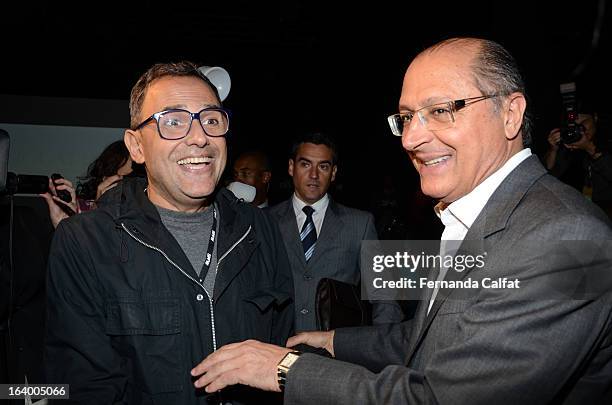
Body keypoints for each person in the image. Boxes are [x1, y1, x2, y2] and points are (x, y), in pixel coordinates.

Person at [190, 38, 612, 404]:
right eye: (407, 117)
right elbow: (431, 338)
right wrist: (334, 340)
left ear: (510, 113)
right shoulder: (476, 218)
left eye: (442, 109)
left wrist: (286, 370)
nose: (411, 138)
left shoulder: (571, 240)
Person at [44, 61, 294, 404]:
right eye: (173, 122)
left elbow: (284, 348)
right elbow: (83, 388)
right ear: (136, 147)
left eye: (211, 119)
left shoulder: (258, 228)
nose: (199, 137)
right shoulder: (85, 242)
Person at [268, 132, 403, 332]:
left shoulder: (360, 224)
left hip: (337, 352)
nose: (314, 175)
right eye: (305, 164)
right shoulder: (266, 221)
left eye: (323, 166)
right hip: (276, 348)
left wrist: (381, 347)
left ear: (333, 173)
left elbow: (384, 294)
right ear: (291, 167)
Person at [544, 106, 612, 217]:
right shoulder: (570, 143)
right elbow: (550, 175)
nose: (579, 129)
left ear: (595, 117)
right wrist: (553, 150)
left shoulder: (608, 139)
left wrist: (589, 148)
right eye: (574, 125)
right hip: (582, 210)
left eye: (584, 123)